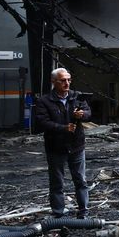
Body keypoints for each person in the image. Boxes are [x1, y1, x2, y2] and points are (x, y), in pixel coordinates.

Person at [33, 67, 92, 218]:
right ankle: (58, 214)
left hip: (76, 145)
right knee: (57, 183)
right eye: (63, 80)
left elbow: (88, 113)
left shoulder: (77, 97)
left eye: (68, 80)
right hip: (56, 147)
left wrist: (82, 114)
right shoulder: (44, 101)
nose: (67, 83)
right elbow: (42, 122)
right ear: (53, 82)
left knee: (80, 180)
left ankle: (84, 212)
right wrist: (63, 128)